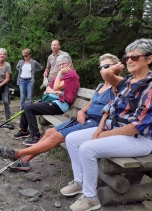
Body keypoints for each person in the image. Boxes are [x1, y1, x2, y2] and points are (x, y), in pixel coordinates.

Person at [61, 39, 152, 211]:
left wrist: (104, 135)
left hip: (140, 139)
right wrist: (100, 127)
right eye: (127, 57)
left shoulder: (150, 86)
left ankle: (91, 198)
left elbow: (138, 125)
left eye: (135, 56)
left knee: (87, 148)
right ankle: (80, 182)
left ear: (148, 59)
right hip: (116, 130)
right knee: (72, 139)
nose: (129, 60)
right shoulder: (128, 82)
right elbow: (108, 108)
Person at [0, 54, 120, 171]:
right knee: (50, 131)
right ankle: (24, 161)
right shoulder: (100, 86)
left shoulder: (117, 86)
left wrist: (113, 70)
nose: (103, 70)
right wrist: (82, 111)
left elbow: (55, 88)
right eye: (101, 67)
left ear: (116, 67)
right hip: (85, 118)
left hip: (97, 123)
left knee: (55, 136)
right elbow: (91, 103)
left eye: (107, 66)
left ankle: (18, 153)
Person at [13, 54, 80, 146]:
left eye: (63, 64)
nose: (61, 67)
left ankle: (36, 137)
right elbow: (48, 89)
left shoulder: (72, 75)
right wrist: (54, 92)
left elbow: (56, 86)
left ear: (70, 64)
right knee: (25, 105)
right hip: (52, 102)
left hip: (60, 105)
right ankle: (24, 130)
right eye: (59, 65)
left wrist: (59, 74)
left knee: (28, 108)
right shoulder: (60, 76)